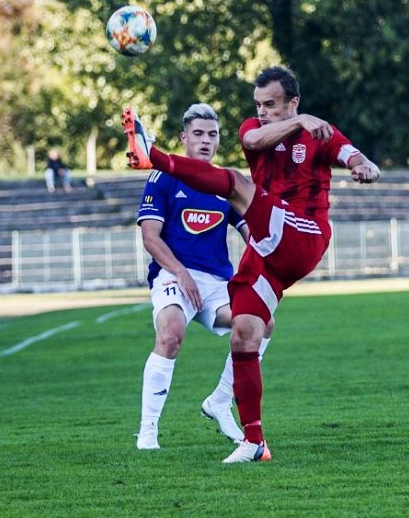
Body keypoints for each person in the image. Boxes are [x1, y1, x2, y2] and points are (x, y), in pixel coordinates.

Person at [125, 65, 381, 463]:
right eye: (258, 104)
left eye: (271, 104)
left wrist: (364, 165)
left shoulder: (319, 132)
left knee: (233, 181)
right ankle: (251, 437)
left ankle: (152, 156)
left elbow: (349, 153)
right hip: (262, 250)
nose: (262, 112)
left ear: (293, 102)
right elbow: (254, 138)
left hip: (303, 233)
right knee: (248, 331)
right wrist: (298, 121)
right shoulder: (256, 129)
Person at [134, 103, 250, 450]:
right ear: (184, 138)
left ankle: (220, 401)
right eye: (198, 134)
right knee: (171, 333)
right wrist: (181, 273)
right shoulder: (163, 177)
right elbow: (150, 237)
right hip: (173, 275)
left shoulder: (226, 183)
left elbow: (253, 236)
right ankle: (148, 431)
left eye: (212, 134)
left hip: (216, 283)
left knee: (260, 322)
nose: (205, 141)